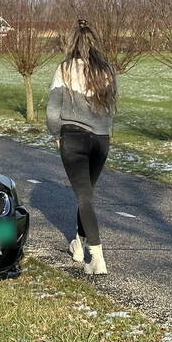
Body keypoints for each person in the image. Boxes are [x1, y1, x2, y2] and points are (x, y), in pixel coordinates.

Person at [46, 19, 118, 275]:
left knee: (84, 196)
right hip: (100, 139)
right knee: (87, 193)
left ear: (72, 43)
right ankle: (78, 244)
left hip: (73, 137)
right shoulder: (107, 71)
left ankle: (96, 256)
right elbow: (110, 110)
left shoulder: (64, 70)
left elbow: (53, 109)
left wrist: (56, 133)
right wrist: (104, 134)